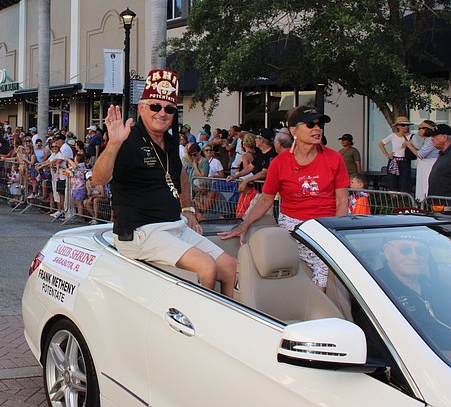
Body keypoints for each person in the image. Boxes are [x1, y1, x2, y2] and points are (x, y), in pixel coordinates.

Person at [92, 69, 236, 296]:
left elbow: (179, 176)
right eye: (155, 107)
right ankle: (200, 326)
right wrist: (113, 144)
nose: (162, 113)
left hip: (172, 225)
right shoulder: (126, 139)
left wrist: (188, 208)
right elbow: (99, 179)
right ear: (141, 108)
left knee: (229, 266)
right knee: (207, 266)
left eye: (169, 109)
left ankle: (229, 320)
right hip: (140, 231)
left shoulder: (169, 142)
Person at [220, 105, 349, 290]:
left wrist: (335, 234)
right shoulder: (280, 163)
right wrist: (244, 225)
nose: (317, 128)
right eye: (310, 124)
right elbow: (265, 200)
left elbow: (342, 201)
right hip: (295, 224)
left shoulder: (335, 158)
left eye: (320, 125)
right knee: (324, 264)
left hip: (327, 226)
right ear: (293, 130)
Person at [376, 234, 451, 348]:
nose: (414, 257)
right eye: (405, 250)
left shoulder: (434, 285)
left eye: (421, 251)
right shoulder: (376, 287)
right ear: (388, 253)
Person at [379, 116, 414, 192]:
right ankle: (393, 200)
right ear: (398, 126)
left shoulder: (411, 137)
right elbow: (381, 144)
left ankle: (403, 200)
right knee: (392, 183)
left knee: (404, 183)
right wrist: (387, 155)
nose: (405, 127)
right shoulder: (393, 136)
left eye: (407, 125)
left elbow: (417, 149)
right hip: (394, 161)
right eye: (403, 125)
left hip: (405, 161)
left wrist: (409, 145)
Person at [406, 120, 440, 202]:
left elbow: (421, 154)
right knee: (422, 186)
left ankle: (426, 202)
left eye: (420, 128)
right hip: (424, 166)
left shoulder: (430, 141)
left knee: (426, 186)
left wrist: (410, 146)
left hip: (428, 166)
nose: (419, 130)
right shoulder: (427, 140)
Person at [426, 124, 451, 199]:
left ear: (444, 137)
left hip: (447, 205)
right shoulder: (442, 154)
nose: (431, 139)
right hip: (437, 203)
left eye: (434, 136)